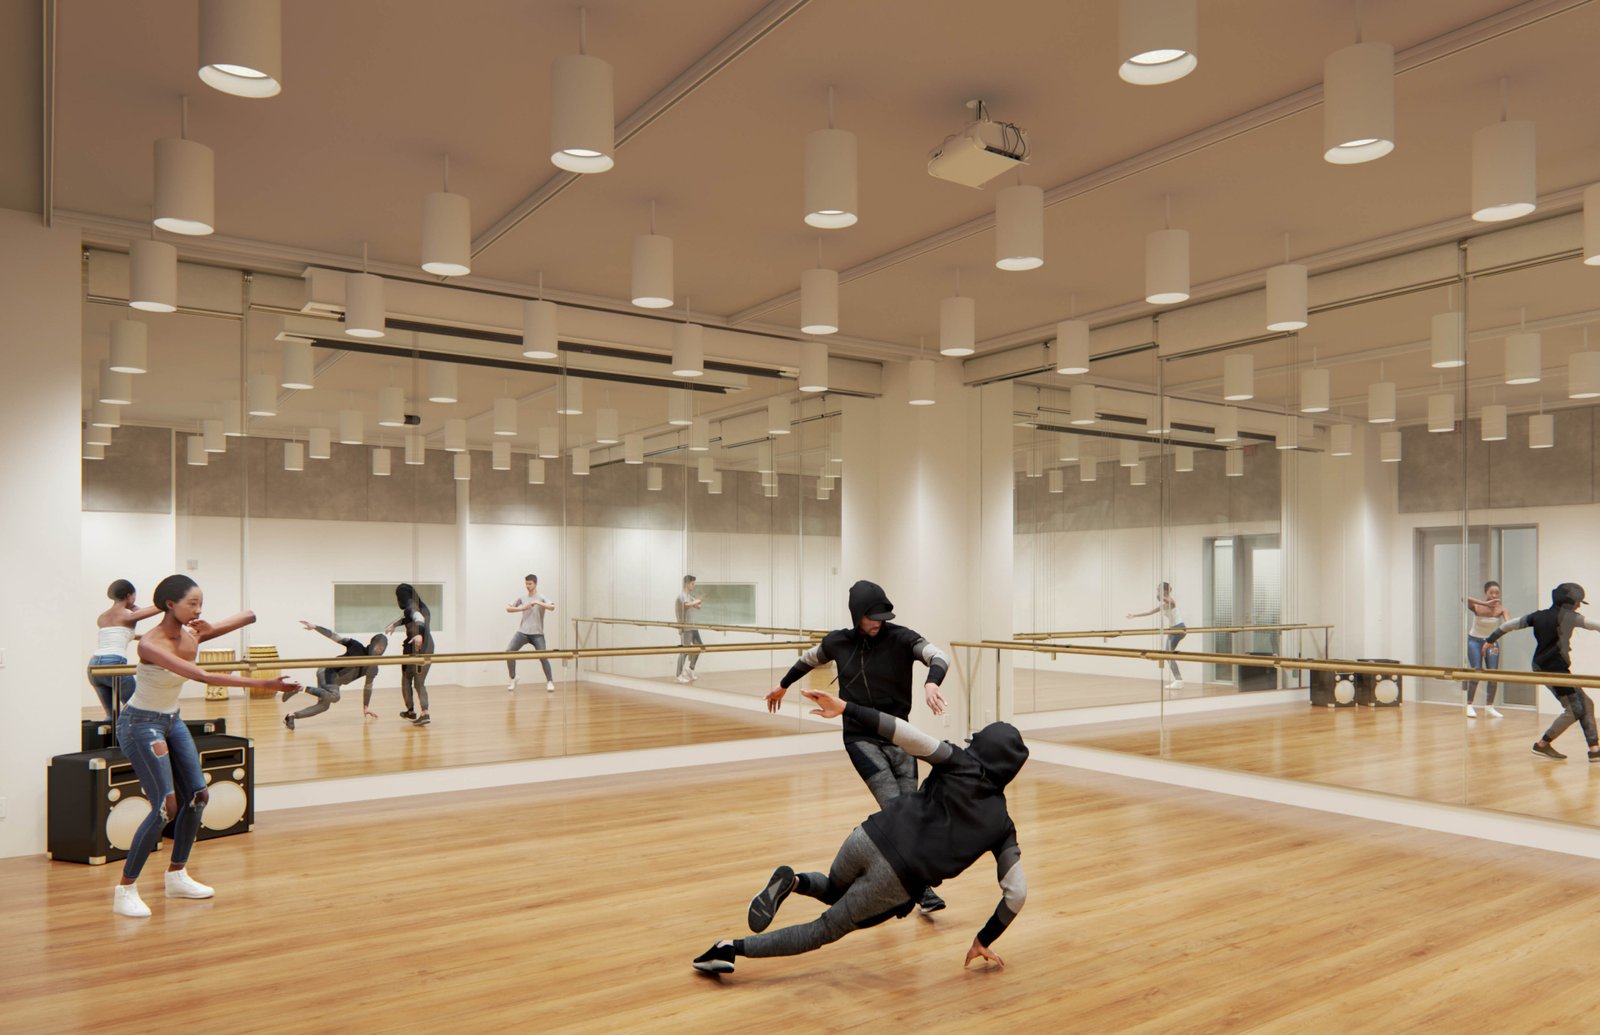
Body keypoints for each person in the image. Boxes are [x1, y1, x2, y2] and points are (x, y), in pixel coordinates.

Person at [692, 687, 1027, 976]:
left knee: (836, 887)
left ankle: (793, 882)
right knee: (822, 929)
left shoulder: (957, 761)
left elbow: (906, 733)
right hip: (896, 879)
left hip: (868, 835)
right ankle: (728, 948)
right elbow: (1017, 894)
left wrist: (847, 709)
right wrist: (984, 938)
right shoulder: (1002, 827)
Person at [112, 574, 299, 918]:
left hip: (171, 720)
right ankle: (125, 889)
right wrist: (266, 683)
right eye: (192, 603)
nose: (199, 609)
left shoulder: (191, 633)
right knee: (164, 807)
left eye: (201, 603)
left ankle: (177, 875)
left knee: (199, 796)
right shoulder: (151, 644)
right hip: (140, 725)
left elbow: (246, 616)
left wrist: (222, 621)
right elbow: (203, 676)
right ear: (170, 605)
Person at [765, 580, 952, 914]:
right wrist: (782, 686)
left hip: (900, 734)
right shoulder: (838, 642)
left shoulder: (901, 637)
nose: (877, 622)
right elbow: (808, 660)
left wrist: (931, 682)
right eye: (871, 616)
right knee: (895, 809)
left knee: (909, 811)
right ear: (856, 615)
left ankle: (888, 875)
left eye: (882, 616)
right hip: (860, 737)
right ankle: (918, 888)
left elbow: (937, 656)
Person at [1485, 582, 1600, 762]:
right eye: (1578, 602)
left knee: (1586, 703)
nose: (1579, 605)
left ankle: (1594, 750)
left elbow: (1511, 625)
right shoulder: (1569, 617)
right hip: (1550, 669)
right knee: (1574, 709)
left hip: (1552, 667)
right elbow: (1594, 625)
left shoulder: (1538, 616)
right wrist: (1490, 640)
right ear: (1570, 602)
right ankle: (1542, 745)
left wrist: (1491, 639)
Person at [281, 620, 388, 729]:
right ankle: (299, 687)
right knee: (335, 696)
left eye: (382, 648)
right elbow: (335, 636)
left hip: (334, 681)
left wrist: (366, 707)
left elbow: (368, 687)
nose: (380, 649)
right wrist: (315, 627)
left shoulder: (373, 668)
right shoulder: (356, 645)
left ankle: (291, 716)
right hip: (328, 671)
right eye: (378, 645)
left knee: (323, 706)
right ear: (373, 643)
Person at [88, 579, 159, 721]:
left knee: (112, 716)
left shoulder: (102, 617)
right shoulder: (128, 615)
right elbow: (160, 607)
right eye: (134, 596)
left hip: (94, 667)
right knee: (139, 709)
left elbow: (123, 635)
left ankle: (115, 741)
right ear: (129, 595)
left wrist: (150, 637)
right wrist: (136, 609)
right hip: (113, 665)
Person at [386, 584, 434, 727]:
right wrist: (394, 624)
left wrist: (419, 634)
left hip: (421, 648)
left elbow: (418, 618)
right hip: (411, 646)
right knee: (406, 678)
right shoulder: (418, 606)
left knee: (418, 682)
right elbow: (408, 618)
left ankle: (425, 713)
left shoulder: (413, 606)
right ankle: (410, 710)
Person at [1128, 582, 1186, 690]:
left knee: (1168, 654)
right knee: (1167, 654)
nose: (1156, 591)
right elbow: (1150, 612)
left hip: (1178, 628)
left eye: (1158, 589)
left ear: (1164, 590)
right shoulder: (1164, 605)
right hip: (1174, 629)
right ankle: (1178, 680)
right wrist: (1134, 615)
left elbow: (1167, 600)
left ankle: (1179, 680)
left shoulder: (1171, 601)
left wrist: (1160, 595)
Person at [1463, 581, 1509, 719]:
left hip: (1490, 643)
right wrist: (1485, 604)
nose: (1494, 595)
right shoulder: (1478, 606)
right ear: (1486, 593)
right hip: (1474, 641)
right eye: (1491, 592)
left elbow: (1508, 623)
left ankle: (1489, 706)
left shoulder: (1501, 609)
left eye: (1497, 593)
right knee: (1476, 671)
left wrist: (1508, 624)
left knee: (1492, 673)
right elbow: (1465, 598)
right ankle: (1469, 705)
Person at [505, 574, 556, 692]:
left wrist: (538, 603)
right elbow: (508, 608)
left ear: (535, 583)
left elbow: (552, 607)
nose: (528, 586)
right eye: (526, 584)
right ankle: (513, 678)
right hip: (522, 632)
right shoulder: (522, 598)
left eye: (530, 584)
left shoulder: (542, 597)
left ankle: (550, 681)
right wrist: (522, 608)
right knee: (509, 652)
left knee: (543, 656)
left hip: (537, 634)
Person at [675, 574, 703, 683]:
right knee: (685, 651)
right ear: (687, 583)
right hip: (686, 628)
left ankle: (690, 668)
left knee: (700, 647)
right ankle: (678, 674)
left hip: (693, 627)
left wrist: (696, 602)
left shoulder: (689, 596)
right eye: (692, 583)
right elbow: (687, 605)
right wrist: (695, 602)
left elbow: (698, 606)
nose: (694, 586)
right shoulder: (682, 595)